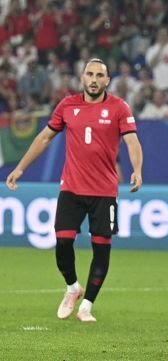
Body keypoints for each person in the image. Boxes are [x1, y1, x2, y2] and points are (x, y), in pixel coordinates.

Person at [5, 58, 143, 322]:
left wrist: (137, 170)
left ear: (107, 80)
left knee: (101, 249)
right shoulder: (67, 105)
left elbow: (132, 141)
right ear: (82, 78)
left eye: (99, 75)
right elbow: (44, 137)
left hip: (104, 192)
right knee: (63, 242)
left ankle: (86, 306)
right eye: (89, 74)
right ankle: (72, 288)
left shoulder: (119, 107)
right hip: (72, 188)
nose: (93, 79)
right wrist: (21, 167)